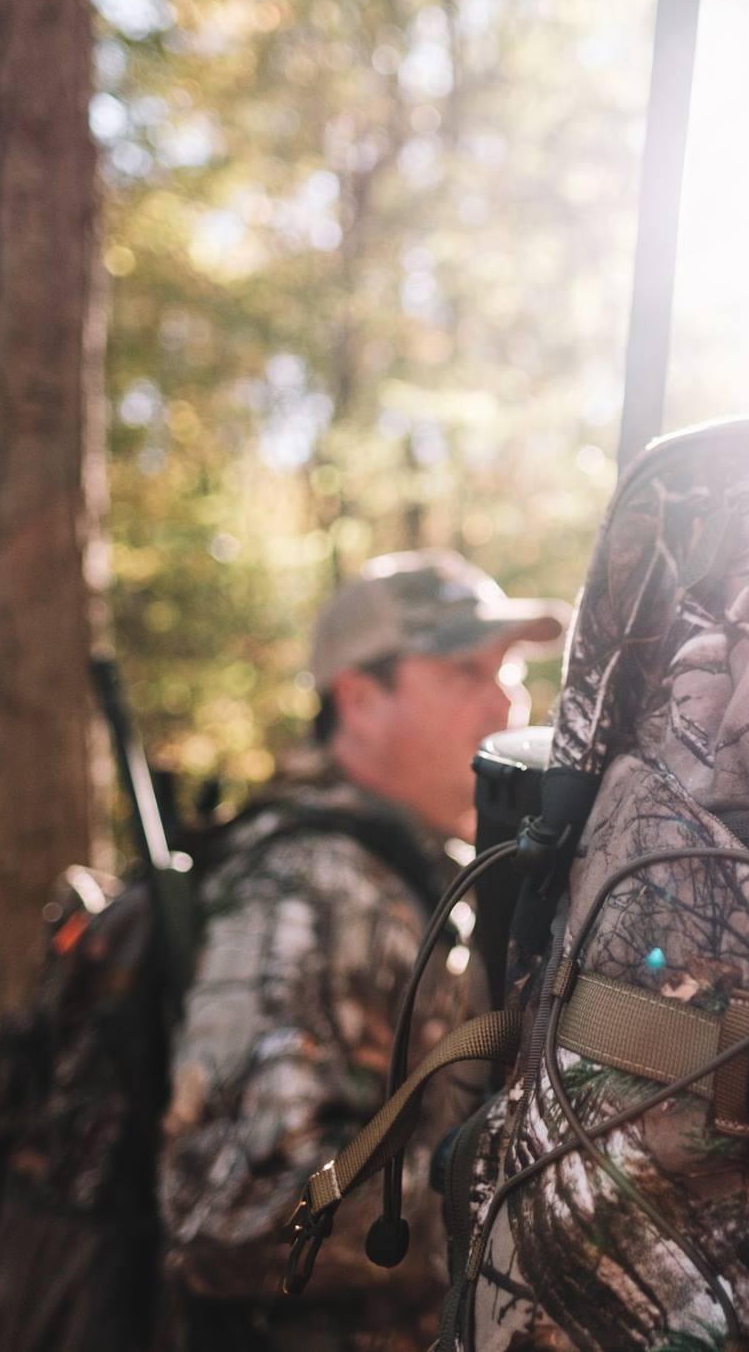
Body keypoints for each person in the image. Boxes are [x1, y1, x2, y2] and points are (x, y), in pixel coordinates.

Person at [158, 549, 565, 1351]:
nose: (508, 697)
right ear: (358, 697)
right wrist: (529, 1189)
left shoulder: (418, 868)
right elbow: (235, 1206)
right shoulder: (306, 883)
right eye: (463, 670)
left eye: (509, 669)